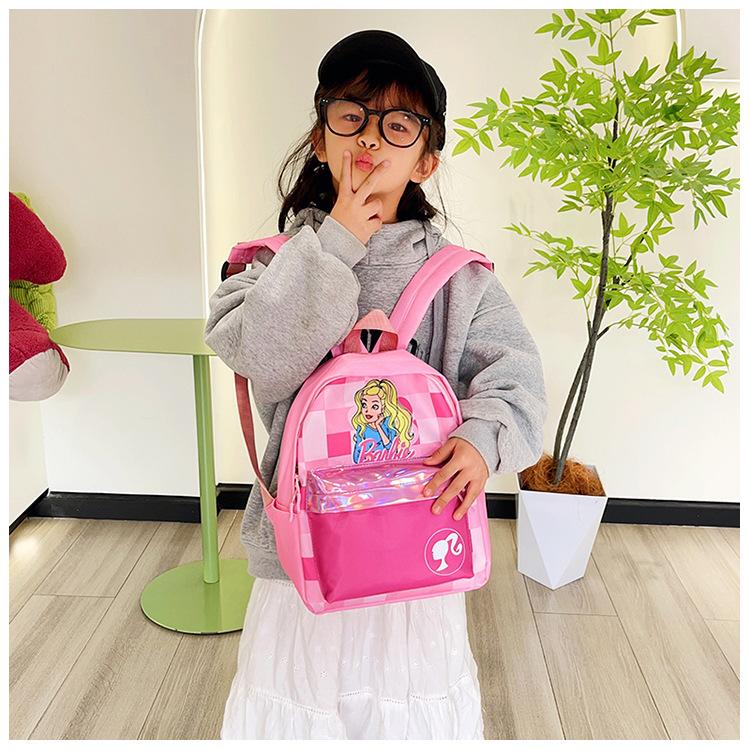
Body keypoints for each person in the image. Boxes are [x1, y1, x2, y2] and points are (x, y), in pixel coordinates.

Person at [204, 29, 547, 740]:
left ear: (426, 160)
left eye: (398, 123)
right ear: (320, 138)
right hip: (304, 555)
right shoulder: (263, 266)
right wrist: (333, 244)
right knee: (299, 711)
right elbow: (259, 354)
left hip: (416, 548)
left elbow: (517, 382)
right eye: (351, 114)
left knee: (407, 714)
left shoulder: (460, 279)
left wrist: (483, 441)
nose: (369, 136)